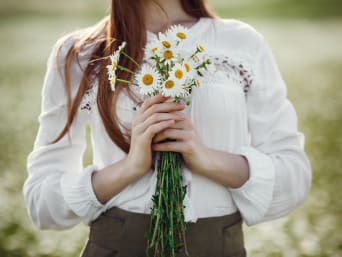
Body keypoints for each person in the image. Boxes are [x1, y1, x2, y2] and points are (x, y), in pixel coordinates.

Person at [23, 0, 312, 256]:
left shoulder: (241, 43)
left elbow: (294, 176)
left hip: (220, 247)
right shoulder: (80, 53)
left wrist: (208, 159)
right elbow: (42, 203)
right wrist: (129, 169)